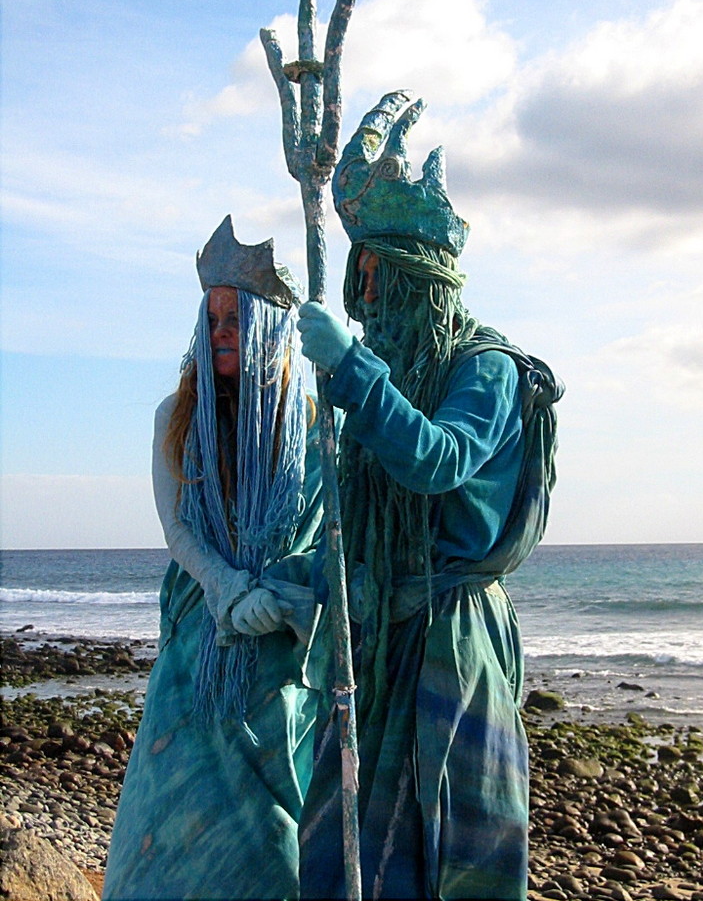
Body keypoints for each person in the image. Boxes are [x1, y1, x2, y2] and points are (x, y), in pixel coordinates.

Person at [296, 92, 563, 901]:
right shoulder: (396, 373)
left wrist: (352, 372)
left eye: (376, 279)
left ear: (415, 276)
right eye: (358, 281)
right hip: (381, 639)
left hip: (451, 644)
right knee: (340, 853)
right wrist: (299, 579)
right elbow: (362, 526)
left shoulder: (486, 367)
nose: (365, 301)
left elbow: (437, 460)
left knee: (451, 851)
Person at [103, 217, 325, 901]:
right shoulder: (176, 413)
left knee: (273, 822)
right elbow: (180, 533)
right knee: (176, 800)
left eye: (236, 318)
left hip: (277, 649)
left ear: (266, 327)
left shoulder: (312, 424)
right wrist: (230, 594)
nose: (222, 331)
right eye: (213, 317)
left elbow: (319, 538)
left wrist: (275, 597)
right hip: (202, 639)